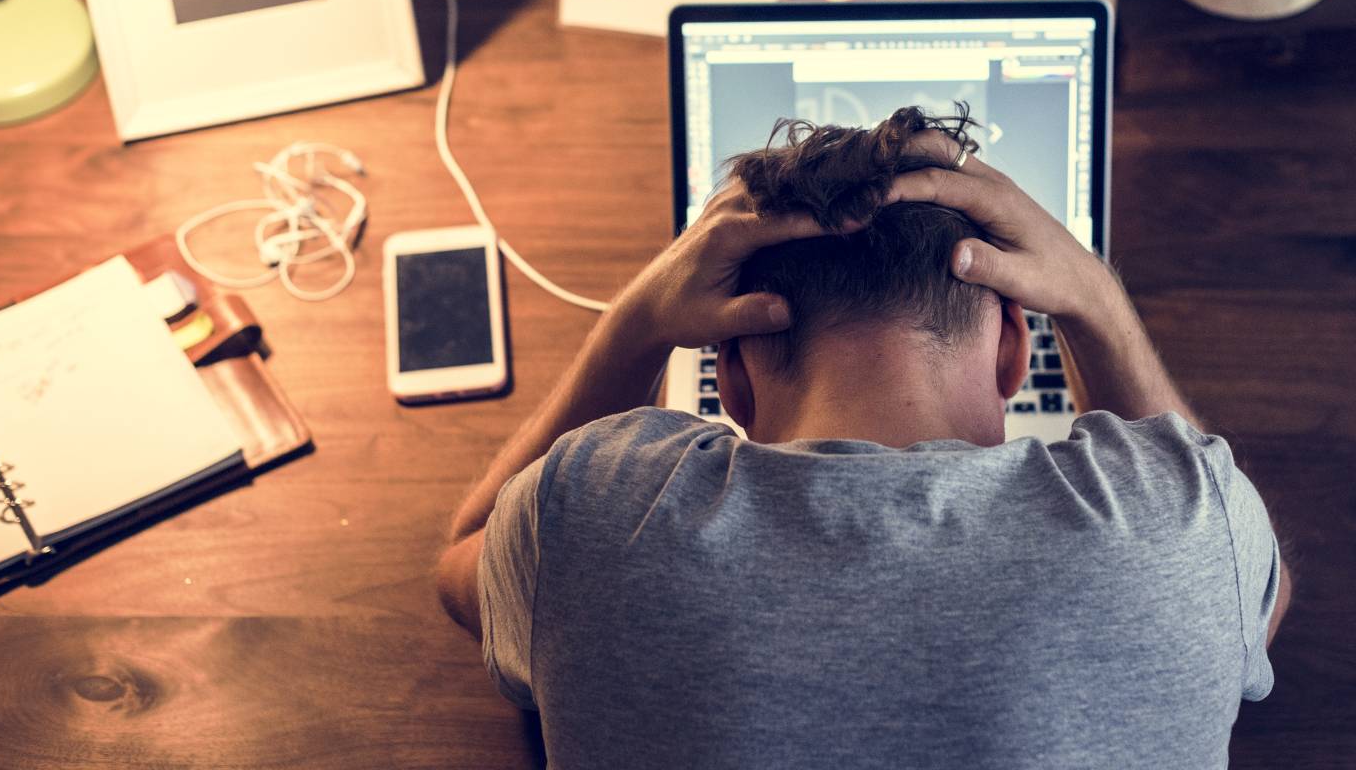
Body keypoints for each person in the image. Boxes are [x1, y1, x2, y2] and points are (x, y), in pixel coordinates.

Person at [436, 107, 1290, 768]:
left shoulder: (591, 515)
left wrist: (636, 324)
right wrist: (1096, 299)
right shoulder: (1184, 529)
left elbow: (463, 560)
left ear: (729, 380)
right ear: (1013, 352)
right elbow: (1262, 601)